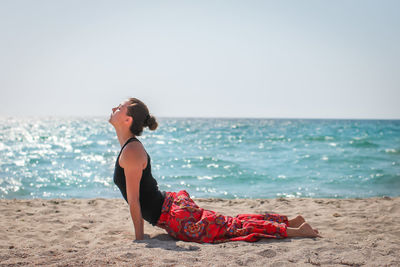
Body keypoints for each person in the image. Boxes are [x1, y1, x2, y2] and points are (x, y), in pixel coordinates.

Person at [109, 97, 321, 243]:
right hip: (173, 210)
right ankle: (291, 222)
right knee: (232, 223)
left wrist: (139, 238)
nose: (113, 109)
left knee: (232, 229)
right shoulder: (130, 148)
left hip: (176, 217)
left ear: (128, 120)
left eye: (119, 108)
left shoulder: (132, 151)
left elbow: (135, 201)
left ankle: (296, 230)